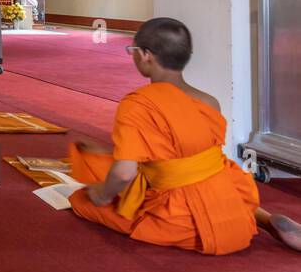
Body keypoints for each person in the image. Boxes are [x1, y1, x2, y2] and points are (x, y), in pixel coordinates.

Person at [69, 17, 300, 255]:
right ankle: (260, 217)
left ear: (146, 55)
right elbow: (182, 154)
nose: (134, 56)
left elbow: (125, 172)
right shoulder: (209, 101)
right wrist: (107, 153)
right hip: (226, 191)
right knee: (125, 168)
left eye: (133, 50)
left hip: (183, 216)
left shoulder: (138, 105)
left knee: (81, 199)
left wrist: (101, 195)